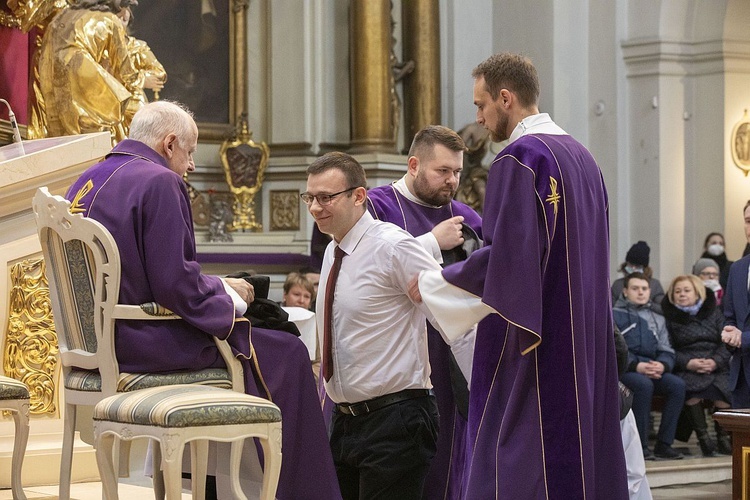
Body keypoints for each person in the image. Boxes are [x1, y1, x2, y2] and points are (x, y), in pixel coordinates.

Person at [65, 101, 341, 500]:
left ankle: (213, 487)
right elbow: (175, 286)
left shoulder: (87, 180)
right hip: (147, 345)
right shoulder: (158, 180)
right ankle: (298, 492)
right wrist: (230, 299)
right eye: (190, 152)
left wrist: (215, 285)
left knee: (265, 340)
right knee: (288, 350)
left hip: (98, 344)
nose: (191, 165)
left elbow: (144, 275)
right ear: (169, 142)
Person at [410, 52, 628, 498]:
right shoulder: (584, 158)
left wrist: (433, 284)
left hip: (539, 341)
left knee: (518, 463)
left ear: (505, 98)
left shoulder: (520, 157)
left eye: (481, 105)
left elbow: (507, 258)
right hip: (583, 337)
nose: (479, 119)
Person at [305, 151, 441, 499]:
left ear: (359, 196)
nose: (315, 208)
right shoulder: (332, 250)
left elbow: (451, 311)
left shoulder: (392, 246)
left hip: (396, 419)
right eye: (310, 197)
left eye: (326, 198)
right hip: (346, 421)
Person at [365, 124, 482, 500]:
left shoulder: (466, 218)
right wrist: (431, 241)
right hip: (395, 356)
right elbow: (364, 270)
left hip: (452, 355)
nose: (452, 181)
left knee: (452, 458)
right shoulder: (376, 205)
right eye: (443, 171)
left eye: (458, 172)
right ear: (414, 164)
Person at [38, 0, 142, 143]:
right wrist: (140, 85)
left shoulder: (60, 17)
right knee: (97, 133)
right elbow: (126, 73)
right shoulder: (111, 20)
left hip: (50, 77)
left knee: (64, 139)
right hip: (84, 76)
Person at [614, 273, 686, 460]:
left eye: (644, 289)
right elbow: (614, 349)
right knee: (643, 386)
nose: (640, 292)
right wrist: (636, 365)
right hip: (626, 369)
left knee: (677, 385)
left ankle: (664, 444)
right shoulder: (613, 315)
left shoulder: (657, 317)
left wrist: (663, 365)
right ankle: (641, 447)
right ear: (625, 291)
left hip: (653, 367)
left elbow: (666, 348)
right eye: (635, 288)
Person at [662, 274, 732, 456]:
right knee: (692, 392)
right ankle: (704, 440)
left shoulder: (714, 312)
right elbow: (666, 348)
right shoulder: (668, 317)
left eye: (686, 290)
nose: (682, 294)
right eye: (677, 291)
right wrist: (688, 363)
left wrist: (715, 362)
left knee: (723, 391)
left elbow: (726, 342)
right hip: (687, 364)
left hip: (715, 363)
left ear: (697, 293)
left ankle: (723, 439)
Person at [116, 6, 167, 134]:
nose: (122, 15)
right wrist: (140, 79)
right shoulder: (100, 48)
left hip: (134, 103)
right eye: (117, 17)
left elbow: (160, 73)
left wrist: (143, 79)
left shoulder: (137, 47)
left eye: (124, 19)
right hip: (108, 101)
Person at [722, 206, 750, 408]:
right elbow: (730, 317)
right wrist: (730, 335)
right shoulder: (738, 268)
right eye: (748, 221)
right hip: (742, 379)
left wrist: (744, 338)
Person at [611, 241, 666, 313]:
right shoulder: (618, 284)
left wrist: (646, 303)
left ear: (644, 268)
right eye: (631, 265)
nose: (633, 268)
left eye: (637, 266)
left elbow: (662, 308)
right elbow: (610, 307)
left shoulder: (655, 285)